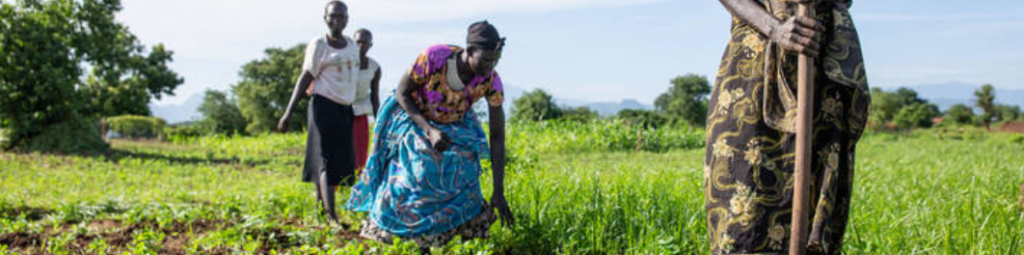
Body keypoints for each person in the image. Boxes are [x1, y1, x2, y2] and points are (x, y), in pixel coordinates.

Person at [705, 0, 869, 254]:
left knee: (817, 202)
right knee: (744, 197)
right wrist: (774, 28)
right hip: (755, 67)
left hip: (821, 62)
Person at [345, 21, 515, 249]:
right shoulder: (435, 58)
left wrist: (499, 191)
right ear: (470, 50)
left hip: (456, 123)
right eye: (486, 59)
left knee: (463, 167)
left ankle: (451, 233)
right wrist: (429, 130)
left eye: (496, 60)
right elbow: (403, 93)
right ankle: (413, 238)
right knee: (421, 168)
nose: (491, 65)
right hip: (414, 116)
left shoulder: (490, 80)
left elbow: (497, 137)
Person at [278, 0, 360, 226]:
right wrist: (288, 113)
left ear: (347, 19)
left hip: (345, 109)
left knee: (339, 160)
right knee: (326, 161)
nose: (337, 20)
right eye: (333, 16)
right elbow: (306, 77)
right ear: (325, 18)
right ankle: (332, 216)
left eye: (342, 16)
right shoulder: (319, 44)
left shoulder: (352, 45)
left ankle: (321, 210)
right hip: (323, 106)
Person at [352, 28, 381, 174]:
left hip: (360, 111)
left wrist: (379, 121)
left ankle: (356, 184)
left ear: (371, 45)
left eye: (365, 43)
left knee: (360, 150)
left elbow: (374, 96)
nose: (361, 46)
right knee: (340, 149)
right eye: (358, 42)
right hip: (341, 110)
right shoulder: (345, 63)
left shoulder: (374, 67)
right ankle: (337, 185)